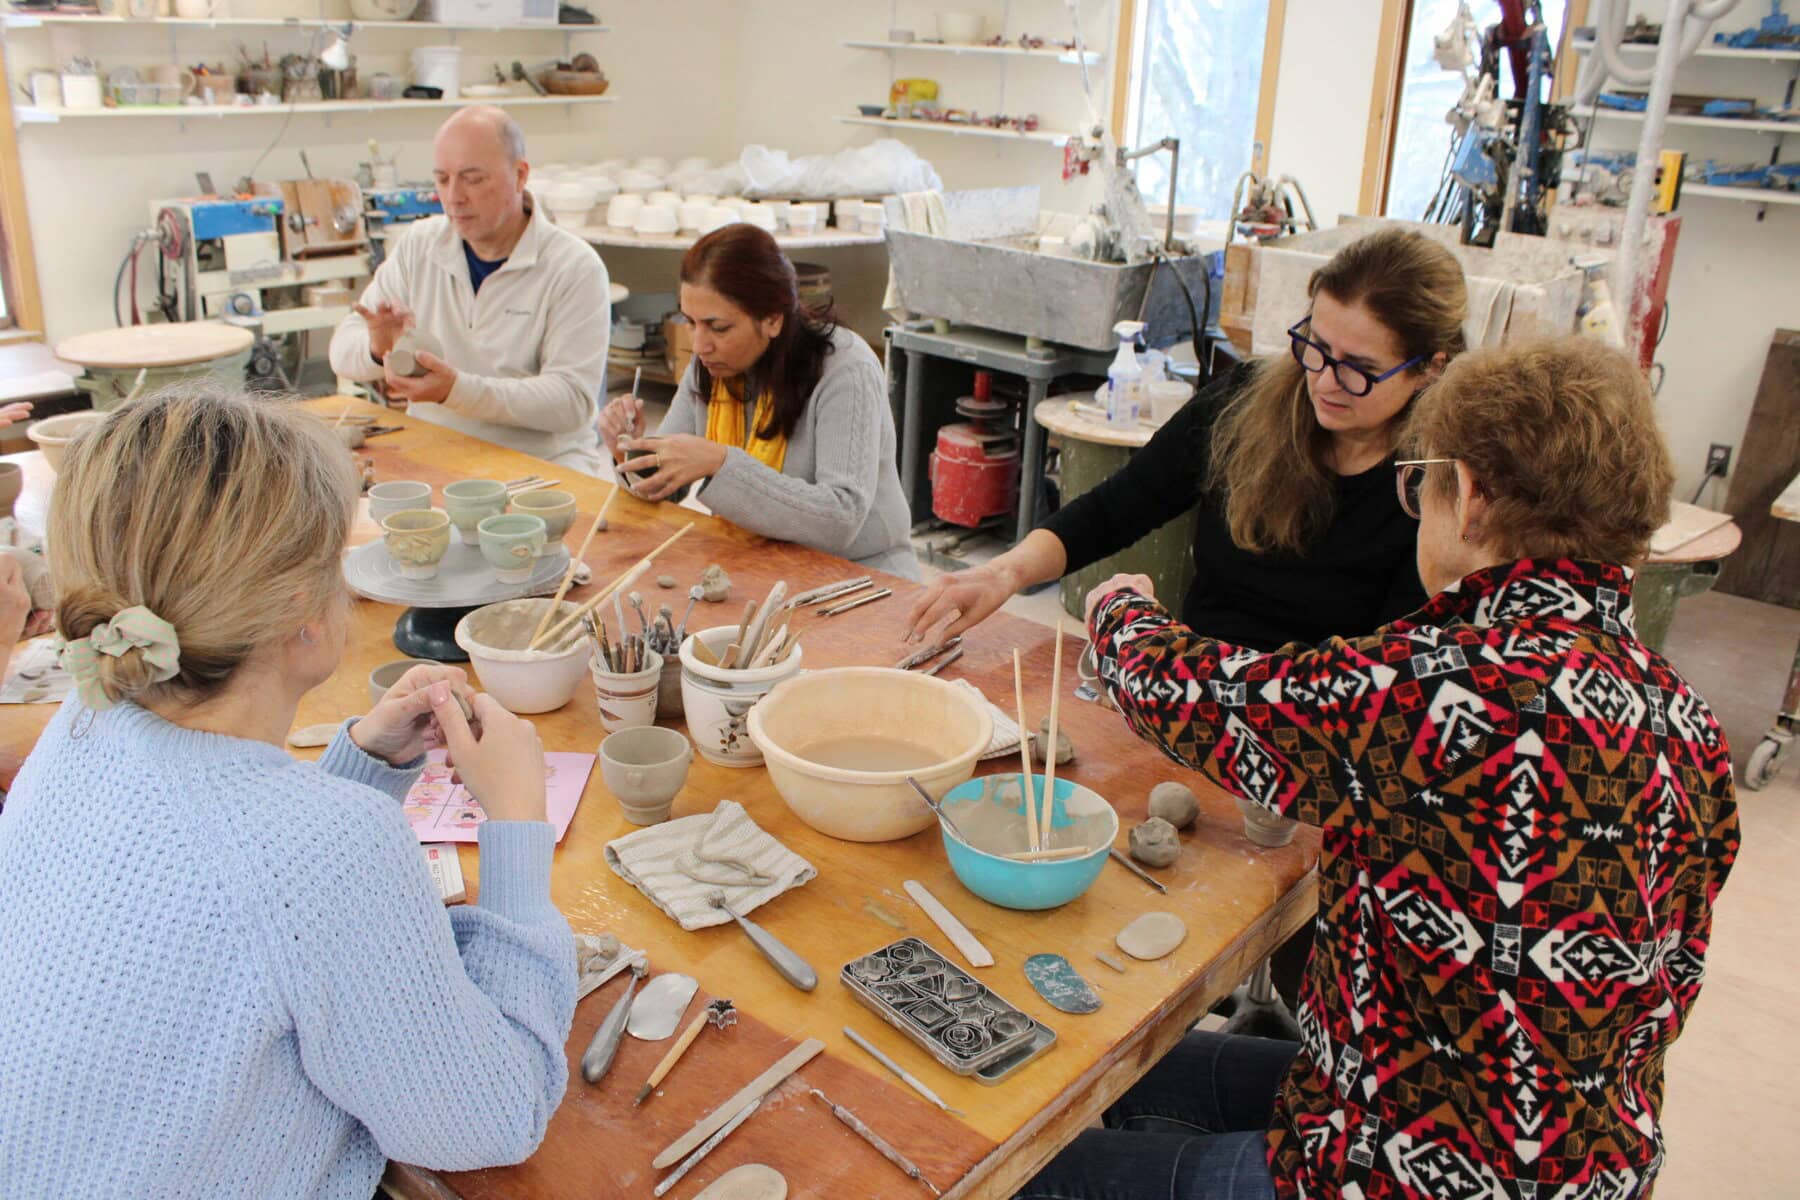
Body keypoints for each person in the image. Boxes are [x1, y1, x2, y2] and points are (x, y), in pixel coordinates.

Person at [1025, 337, 1739, 1200]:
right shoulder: (1687, 723)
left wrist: (1120, 611)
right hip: (1583, 1163)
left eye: (1420, 485)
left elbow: (1201, 698)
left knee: (1034, 1163)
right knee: (1119, 1070)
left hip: (1399, 1175)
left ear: (1467, 496)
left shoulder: (1437, 690)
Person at [0, 389, 578, 1197]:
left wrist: (365, 766)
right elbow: (493, 1120)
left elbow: (248, 899)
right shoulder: (325, 850)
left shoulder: (84, 720)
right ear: (305, 614)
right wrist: (518, 825)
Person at [906, 226, 1471, 649]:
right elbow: (1119, 506)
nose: (1323, 379)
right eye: (1316, 347)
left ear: (1431, 368)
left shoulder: (1444, 486)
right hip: (1199, 693)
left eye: (1359, 368)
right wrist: (1004, 571)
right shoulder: (1245, 404)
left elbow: (1395, 664)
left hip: (1320, 731)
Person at [597, 223, 917, 579]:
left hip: (861, 571)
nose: (700, 343)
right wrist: (630, 451)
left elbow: (841, 520)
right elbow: (664, 488)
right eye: (690, 322)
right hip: (753, 560)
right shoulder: (712, 363)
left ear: (773, 319)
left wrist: (720, 462)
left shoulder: (846, 368)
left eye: (718, 328)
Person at [329, 106, 612, 472]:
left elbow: (571, 401)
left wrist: (456, 391)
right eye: (442, 179)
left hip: (541, 464)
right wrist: (377, 348)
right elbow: (341, 351)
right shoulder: (421, 245)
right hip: (434, 448)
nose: (454, 196)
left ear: (520, 174)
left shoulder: (574, 267)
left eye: (473, 179)